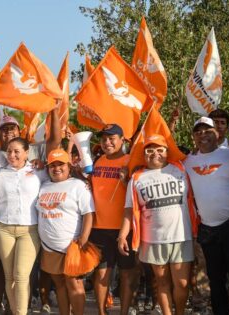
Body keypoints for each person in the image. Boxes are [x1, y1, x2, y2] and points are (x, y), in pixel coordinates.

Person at [118, 135, 197, 315]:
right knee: (162, 282)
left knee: (182, 283)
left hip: (181, 236)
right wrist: (122, 235)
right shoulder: (137, 178)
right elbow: (129, 210)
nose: (155, 154)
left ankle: (180, 312)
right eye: (150, 150)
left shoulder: (181, 170)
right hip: (153, 239)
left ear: (167, 152)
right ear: (144, 154)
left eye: (160, 149)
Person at [184, 117, 229, 315]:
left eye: (207, 131)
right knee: (215, 278)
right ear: (194, 137)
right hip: (208, 228)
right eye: (198, 132)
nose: (203, 134)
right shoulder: (187, 161)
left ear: (217, 133)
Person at [37, 148, 94, 315]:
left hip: (72, 245)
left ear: (69, 166)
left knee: (74, 284)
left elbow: (88, 213)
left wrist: (83, 238)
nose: (56, 168)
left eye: (60, 164)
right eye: (52, 165)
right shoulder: (44, 185)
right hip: (49, 247)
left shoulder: (78, 186)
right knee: (59, 285)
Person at [0, 137, 48, 315]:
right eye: (9, 151)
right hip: (3, 228)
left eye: (17, 151)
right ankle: (15, 311)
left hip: (29, 230)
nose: (12, 155)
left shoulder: (39, 171)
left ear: (26, 153)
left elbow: (59, 179)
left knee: (21, 275)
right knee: (9, 276)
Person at [89, 124, 137, 315]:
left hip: (125, 229)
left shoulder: (130, 161)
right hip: (99, 228)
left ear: (122, 139)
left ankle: (123, 312)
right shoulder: (97, 161)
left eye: (111, 138)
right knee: (101, 274)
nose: (107, 142)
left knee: (127, 274)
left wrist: (127, 180)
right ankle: (102, 312)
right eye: (103, 139)